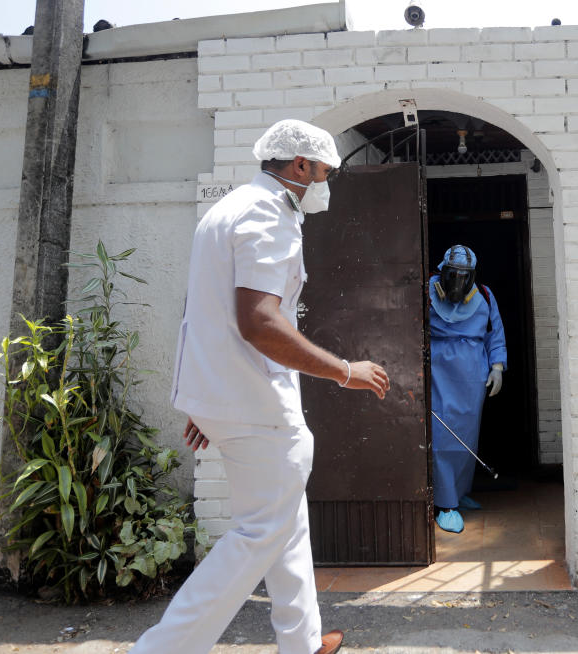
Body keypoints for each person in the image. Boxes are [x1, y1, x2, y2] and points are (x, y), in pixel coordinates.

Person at [130, 120, 390, 654]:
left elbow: (204, 313)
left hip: (229, 398)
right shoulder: (269, 215)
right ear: (300, 167)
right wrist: (346, 370)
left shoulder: (226, 210)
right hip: (258, 405)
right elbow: (259, 322)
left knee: (284, 523)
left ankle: (304, 643)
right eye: (324, 172)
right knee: (257, 536)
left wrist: (206, 399)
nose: (325, 183)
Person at [429, 245, 507, 534]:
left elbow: (494, 332)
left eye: (465, 275)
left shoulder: (484, 296)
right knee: (441, 438)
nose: (459, 281)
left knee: (466, 438)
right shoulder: (425, 293)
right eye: (454, 274)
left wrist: (497, 366)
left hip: (472, 374)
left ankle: (459, 492)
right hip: (438, 372)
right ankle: (445, 503)